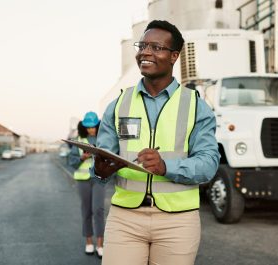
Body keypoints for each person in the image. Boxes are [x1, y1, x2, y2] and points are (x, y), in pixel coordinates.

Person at [93, 20, 220, 265]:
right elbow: (102, 160)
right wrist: (99, 171)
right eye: (142, 46)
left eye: (156, 47)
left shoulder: (195, 105)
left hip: (178, 222)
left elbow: (209, 164)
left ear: (174, 56)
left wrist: (166, 167)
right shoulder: (120, 104)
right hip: (125, 219)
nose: (145, 52)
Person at [68, 111, 105, 258]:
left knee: (99, 210)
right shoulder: (78, 140)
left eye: (94, 126)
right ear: (84, 127)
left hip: (99, 178)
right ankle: (89, 242)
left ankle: (100, 245)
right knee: (87, 211)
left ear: (98, 125)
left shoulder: (104, 139)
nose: (91, 129)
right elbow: (72, 162)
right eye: (88, 127)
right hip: (82, 179)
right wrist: (82, 157)